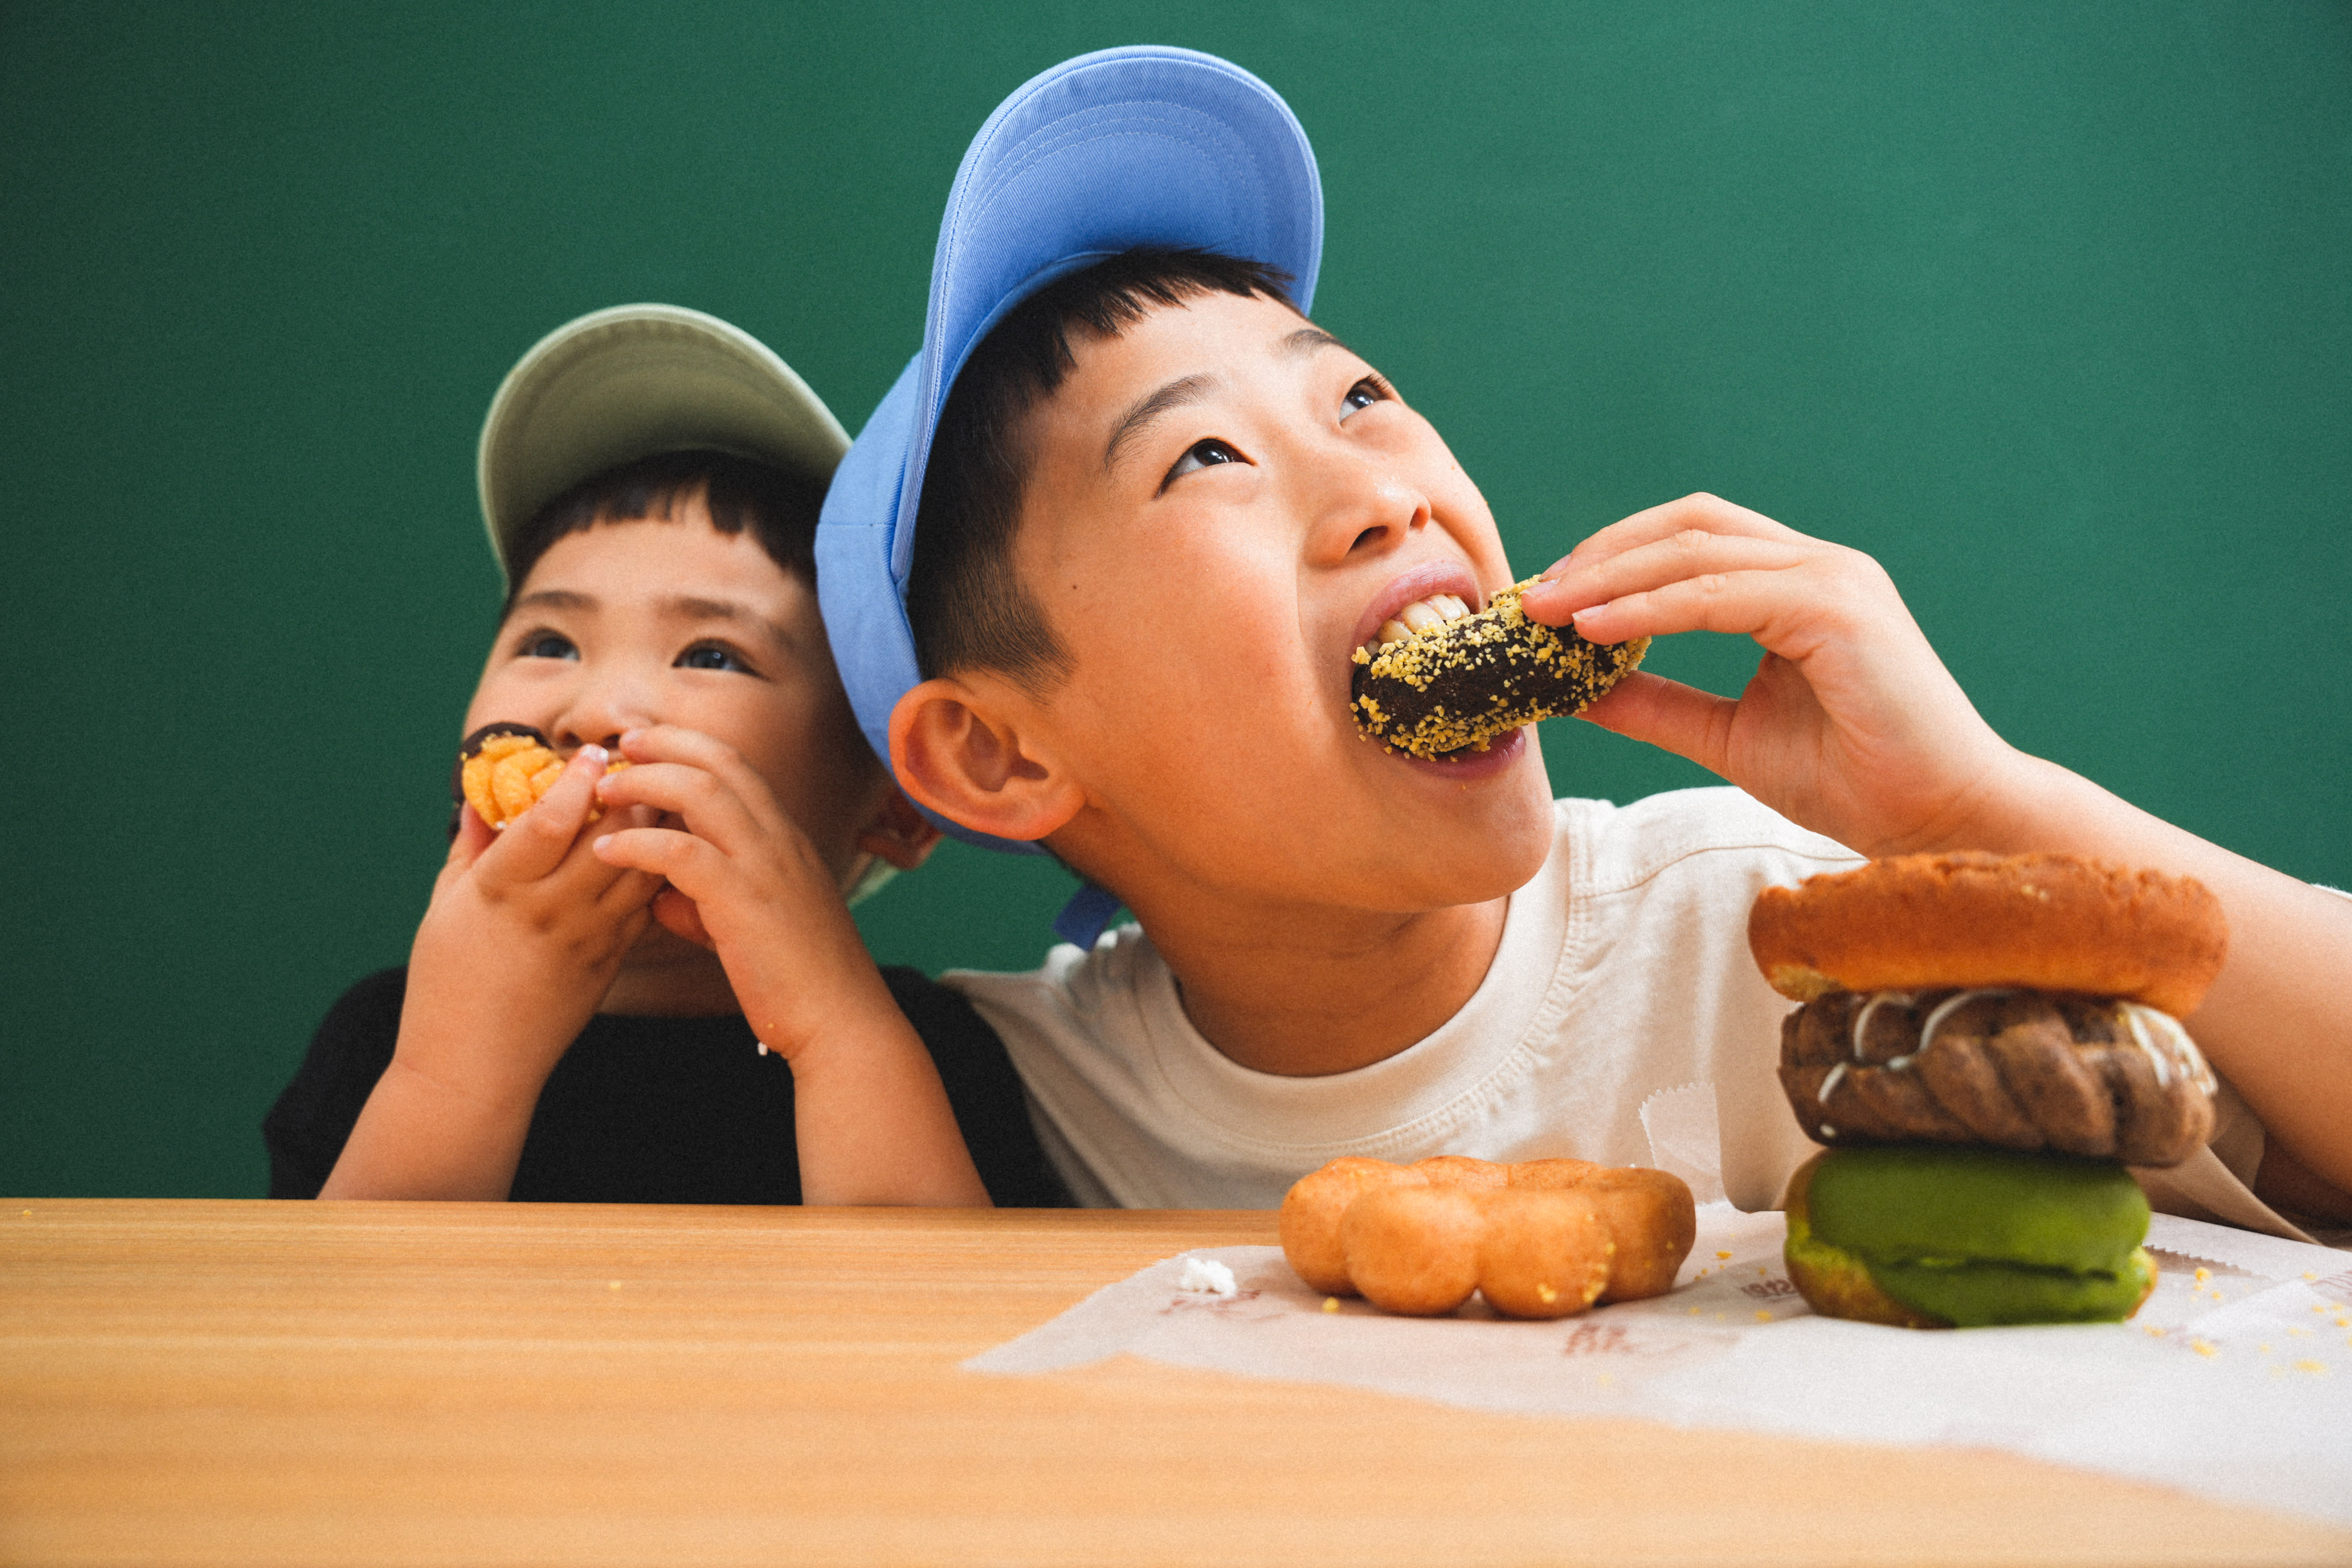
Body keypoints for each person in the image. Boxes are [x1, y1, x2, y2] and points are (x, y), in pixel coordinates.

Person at [814, 47, 2352, 1238]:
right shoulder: (1003, 1099)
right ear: (997, 753)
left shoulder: (1776, 931)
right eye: (1204, 456)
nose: (1381, 489)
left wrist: (1977, 806)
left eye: (1358, 396)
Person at [267, 304, 1066, 1207]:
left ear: (896, 808)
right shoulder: (386, 1038)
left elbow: (931, 1299)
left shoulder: (935, 1052)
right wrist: (455, 1068)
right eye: (549, 643)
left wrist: (832, 1030)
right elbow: (339, 1301)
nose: (595, 713)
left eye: (711, 656)